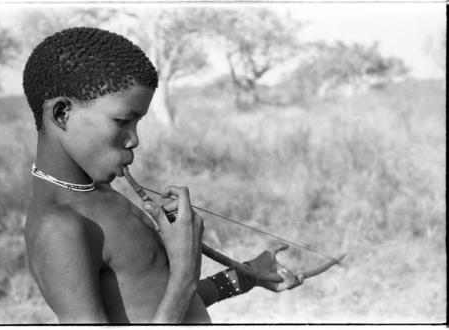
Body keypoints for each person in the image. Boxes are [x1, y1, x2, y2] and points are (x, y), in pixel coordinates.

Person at [23, 27, 303, 324]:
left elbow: (152, 299)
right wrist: (184, 269)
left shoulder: (100, 194)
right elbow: (178, 290)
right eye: (122, 121)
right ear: (62, 113)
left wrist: (247, 276)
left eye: (138, 123)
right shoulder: (59, 228)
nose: (134, 140)